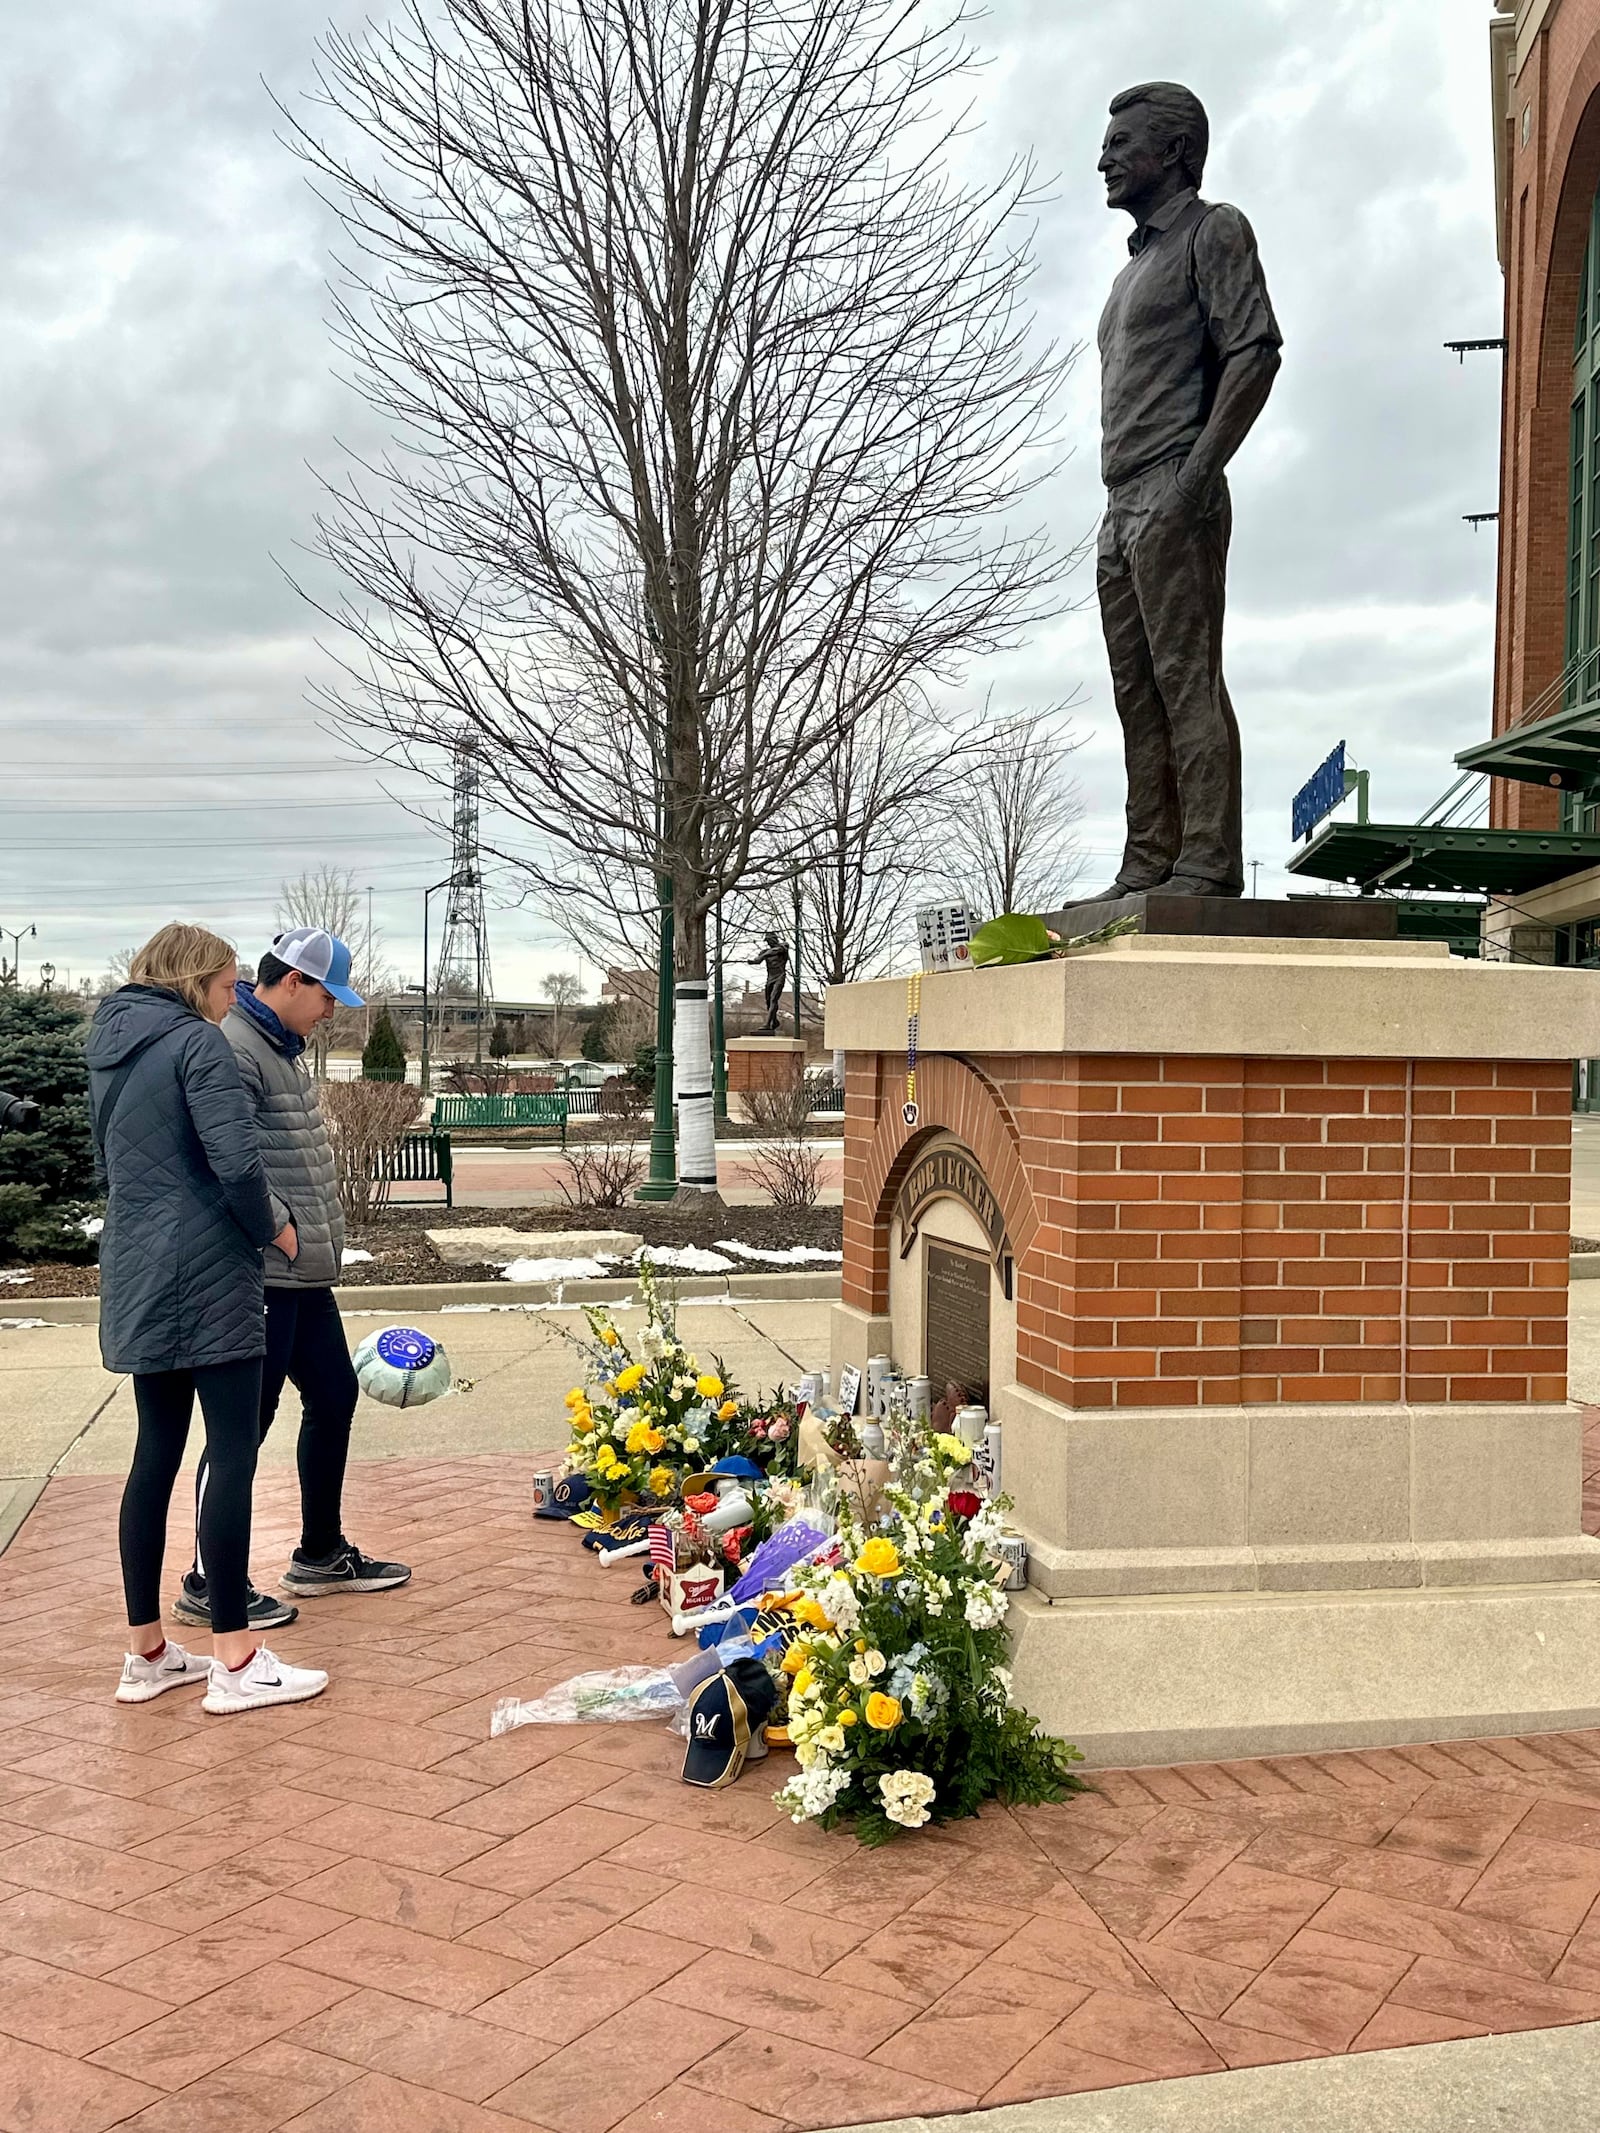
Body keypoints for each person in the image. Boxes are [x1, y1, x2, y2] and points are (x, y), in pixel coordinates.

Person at [88, 923, 328, 1715]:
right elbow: (236, 1163)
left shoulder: (112, 1046)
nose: (237, 995)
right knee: (231, 1451)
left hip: (135, 1267)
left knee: (154, 1452)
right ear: (195, 980)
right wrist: (281, 1232)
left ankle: (146, 1652)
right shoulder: (201, 1046)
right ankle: (236, 1657)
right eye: (229, 984)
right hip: (210, 1272)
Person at [174, 926, 410, 1630]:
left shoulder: (277, 1048)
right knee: (244, 1422)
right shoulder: (238, 1051)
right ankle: (206, 1578)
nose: (333, 1010)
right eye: (327, 995)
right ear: (294, 983)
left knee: (334, 1393)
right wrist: (281, 1231)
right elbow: (229, 1163)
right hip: (265, 1271)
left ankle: (319, 1551)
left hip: (301, 1274)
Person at [1091, 81, 1281, 900]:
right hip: (1119, 503)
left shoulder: (1215, 230)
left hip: (1175, 484)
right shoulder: (1131, 270)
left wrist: (1195, 480)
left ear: (1172, 152)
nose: (1104, 159)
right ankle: (1148, 859)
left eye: (1121, 143)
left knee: (1185, 678)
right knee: (1137, 691)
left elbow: (1256, 353)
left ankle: (1206, 859)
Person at [750, 934, 790, 1035]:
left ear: (774, 939)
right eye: (767, 941)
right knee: (768, 1002)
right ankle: (775, 1021)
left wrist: (761, 957)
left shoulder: (783, 947)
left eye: (769, 940)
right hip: (770, 978)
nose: (768, 943)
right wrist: (754, 961)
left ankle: (767, 1024)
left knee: (773, 999)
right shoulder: (764, 952)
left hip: (779, 977)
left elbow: (774, 951)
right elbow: (758, 960)